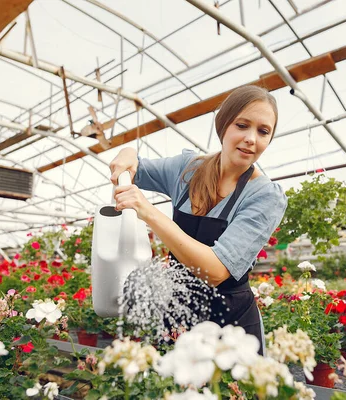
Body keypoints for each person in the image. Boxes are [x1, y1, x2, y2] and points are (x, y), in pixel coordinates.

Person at [109, 85, 287, 355]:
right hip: (180, 312)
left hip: (232, 326)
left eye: (263, 131)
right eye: (242, 125)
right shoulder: (187, 170)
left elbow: (215, 271)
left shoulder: (264, 196)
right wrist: (128, 153)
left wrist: (148, 211)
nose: (251, 138)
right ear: (224, 125)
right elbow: (136, 169)